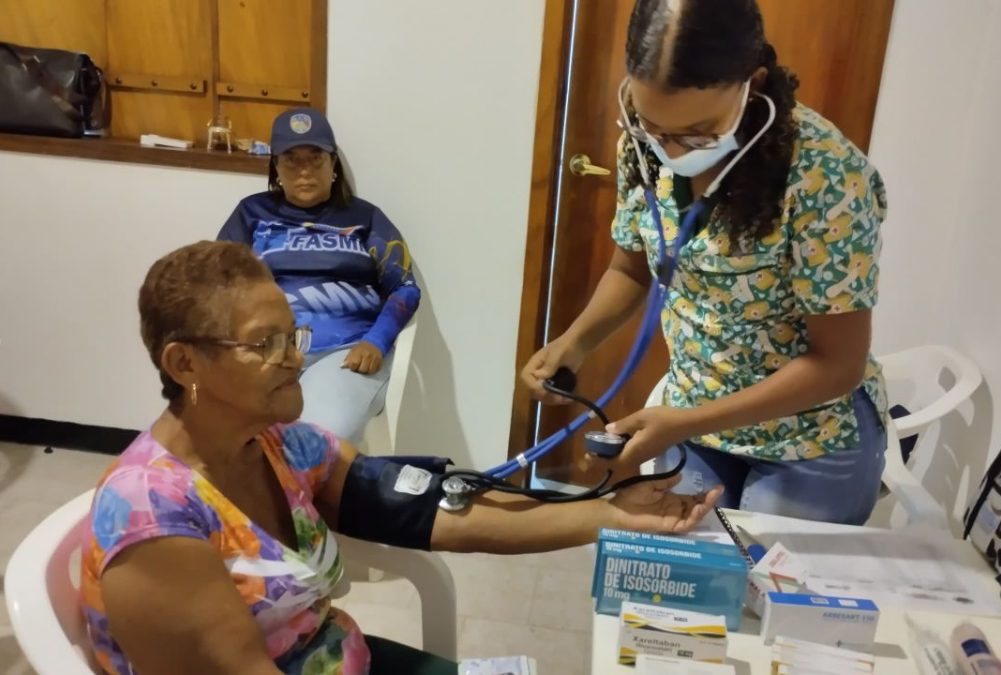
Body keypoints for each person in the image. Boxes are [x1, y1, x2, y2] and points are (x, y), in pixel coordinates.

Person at [81, 241, 721, 675]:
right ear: (185, 363)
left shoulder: (279, 445)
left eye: (292, 335)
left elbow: (435, 510)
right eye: (264, 345)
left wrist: (608, 513)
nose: (297, 357)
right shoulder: (153, 521)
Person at [521, 0, 889, 526]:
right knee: (684, 594)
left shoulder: (825, 175)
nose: (669, 147)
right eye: (650, 124)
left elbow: (838, 363)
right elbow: (632, 269)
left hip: (809, 438)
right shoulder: (643, 148)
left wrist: (684, 422)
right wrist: (572, 344)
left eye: (696, 132)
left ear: (752, 84)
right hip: (694, 417)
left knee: (763, 597)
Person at [219, 107, 418, 444]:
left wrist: (376, 341)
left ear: (333, 165)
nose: (304, 171)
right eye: (291, 159)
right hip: (269, 348)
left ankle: (305, 495)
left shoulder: (366, 218)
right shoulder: (251, 213)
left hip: (347, 351)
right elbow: (217, 282)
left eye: (315, 158)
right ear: (276, 167)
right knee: (227, 432)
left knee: (313, 440)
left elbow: (405, 288)